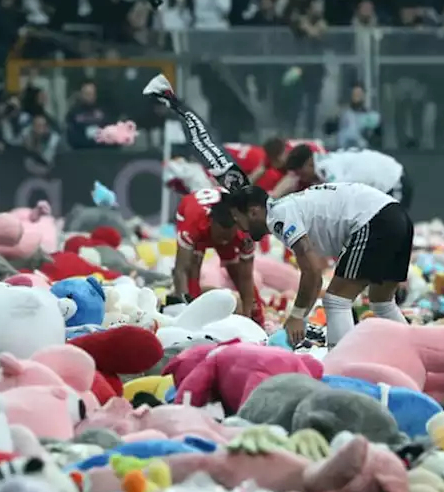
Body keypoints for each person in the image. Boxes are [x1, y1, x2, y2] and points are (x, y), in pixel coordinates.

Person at [225, 183, 414, 347]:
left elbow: (313, 272)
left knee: (336, 301)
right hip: (397, 215)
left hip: (374, 219)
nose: (239, 227)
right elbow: (314, 278)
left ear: (253, 212)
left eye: (237, 218)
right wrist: (302, 315)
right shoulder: (287, 207)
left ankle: (341, 365)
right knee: (382, 302)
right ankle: (415, 349)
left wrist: (297, 316)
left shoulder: (278, 216)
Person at [173, 186, 262, 325]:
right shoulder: (193, 225)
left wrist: (251, 317)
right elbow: (180, 270)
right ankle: (193, 319)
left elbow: (246, 277)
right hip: (195, 223)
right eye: (220, 235)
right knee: (192, 268)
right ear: (211, 223)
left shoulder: (245, 233)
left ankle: (259, 322)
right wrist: (184, 309)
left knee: (236, 272)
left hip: (221, 227)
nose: (223, 241)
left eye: (228, 236)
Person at [277, 145, 411, 209]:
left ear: (309, 164)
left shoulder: (327, 169)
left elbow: (338, 197)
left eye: (302, 174)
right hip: (387, 183)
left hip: (394, 181)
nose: (303, 179)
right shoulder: (325, 162)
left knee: (393, 229)